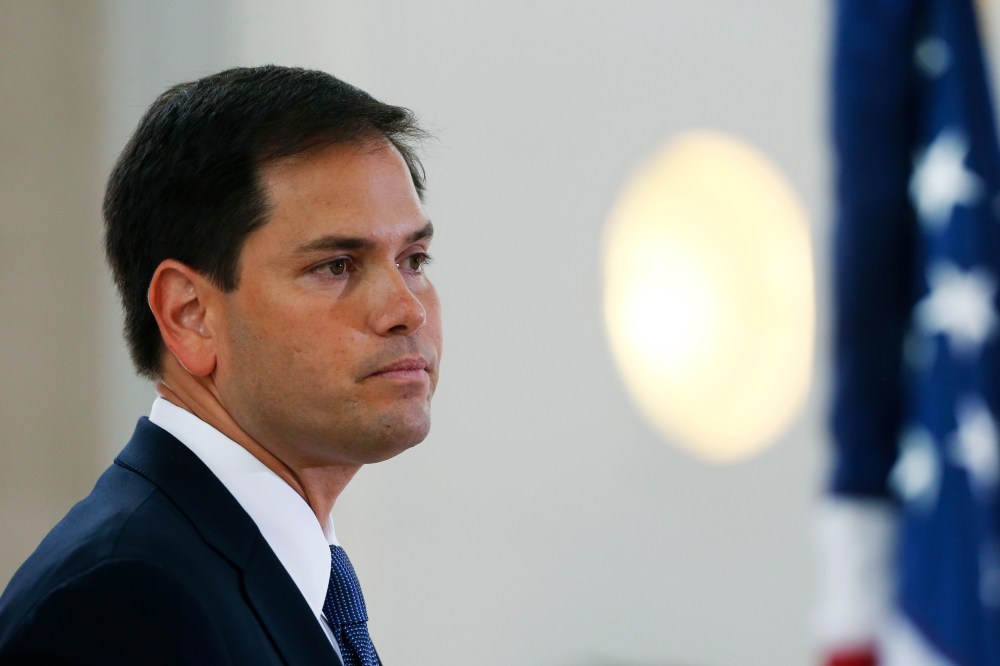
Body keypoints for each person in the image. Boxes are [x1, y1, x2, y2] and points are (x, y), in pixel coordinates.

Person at [0, 65, 442, 665]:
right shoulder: (122, 603)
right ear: (189, 315)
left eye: (413, 258)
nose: (406, 309)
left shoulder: (243, 566)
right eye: (336, 265)